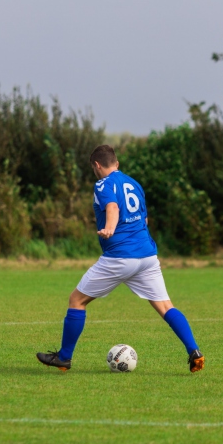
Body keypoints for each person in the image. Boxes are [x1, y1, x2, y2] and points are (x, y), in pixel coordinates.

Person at [36, 145, 205, 373]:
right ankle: (194, 351)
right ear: (116, 163)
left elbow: (113, 207)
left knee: (76, 300)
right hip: (147, 256)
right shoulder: (135, 184)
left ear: (97, 165)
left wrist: (109, 228)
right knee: (166, 306)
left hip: (120, 257)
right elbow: (144, 221)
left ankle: (64, 358)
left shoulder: (102, 184)